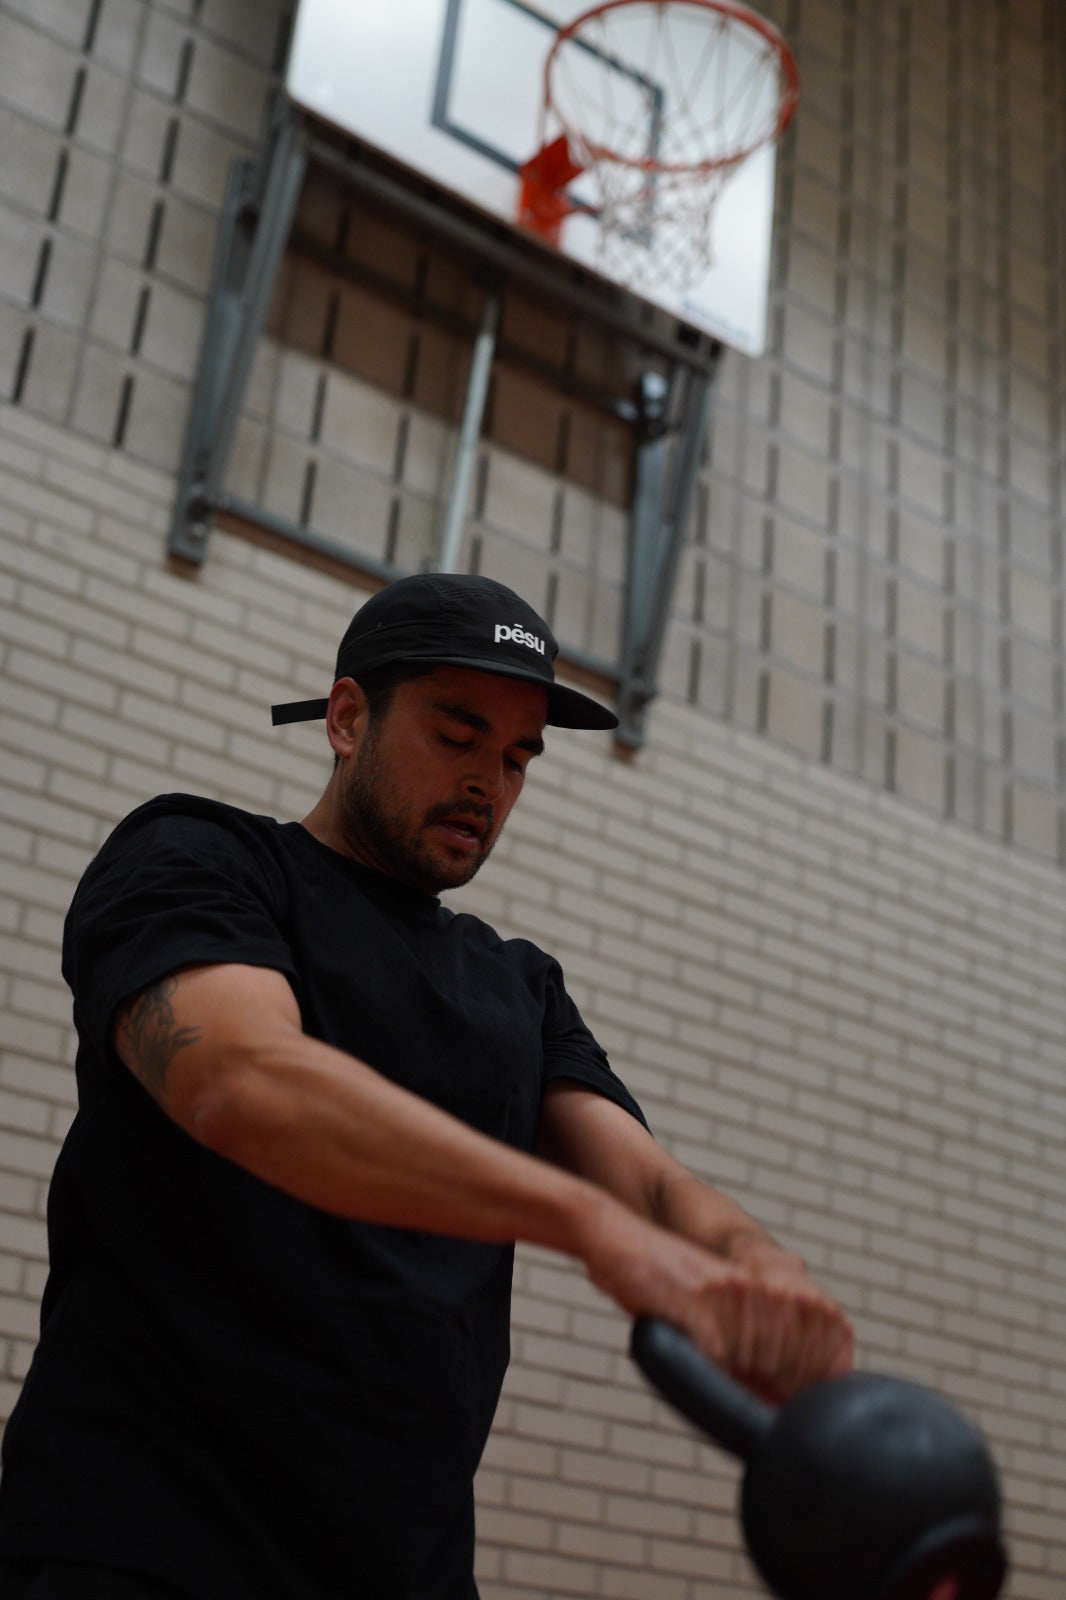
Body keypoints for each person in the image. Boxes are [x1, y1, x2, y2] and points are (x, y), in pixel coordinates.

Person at [0, 574, 852, 1600]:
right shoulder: (202, 858)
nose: (489, 782)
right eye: (458, 735)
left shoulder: (519, 985)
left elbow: (647, 1183)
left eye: (518, 758)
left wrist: (754, 1262)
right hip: (143, 1545)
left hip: (408, 1574)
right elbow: (239, 1079)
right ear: (348, 718)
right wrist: (586, 1225)